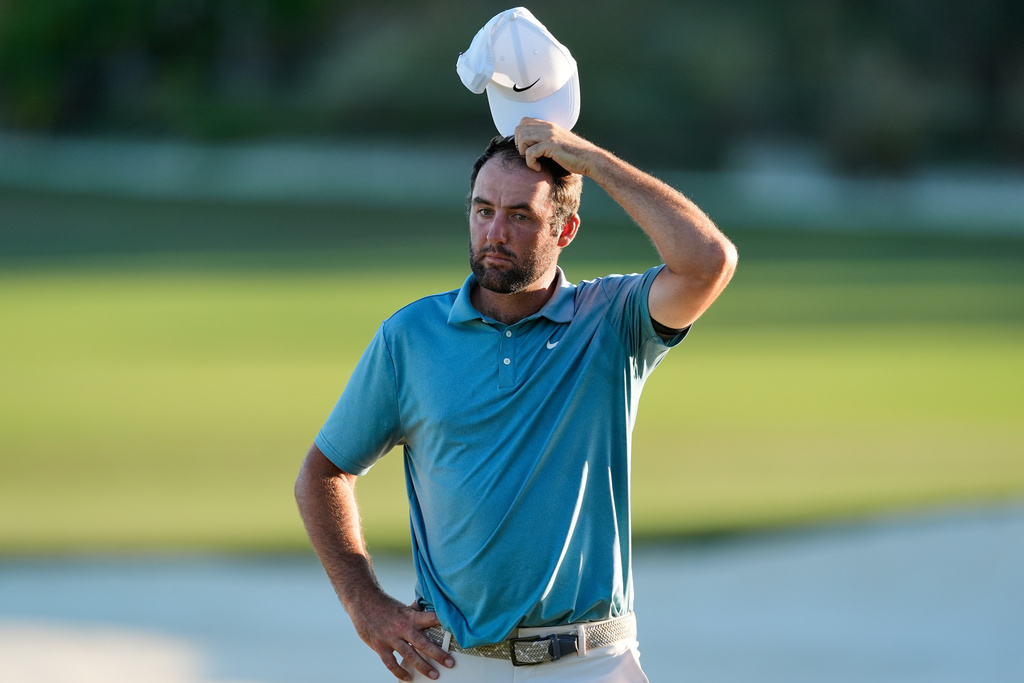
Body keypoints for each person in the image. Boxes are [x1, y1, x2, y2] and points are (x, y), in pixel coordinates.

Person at [294, 117, 737, 682]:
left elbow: (709, 263)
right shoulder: (410, 337)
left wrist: (592, 160)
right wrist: (364, 604)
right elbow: (322, 473)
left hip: (591, 663)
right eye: (483, 210)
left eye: (520, 215)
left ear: (566, 229)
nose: (495, 232)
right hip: (454, 664)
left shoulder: (612, 320)